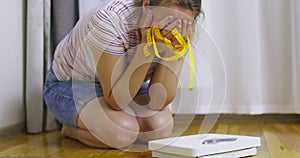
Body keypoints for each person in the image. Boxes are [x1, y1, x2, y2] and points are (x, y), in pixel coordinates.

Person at [44, 0, 203, 149]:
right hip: (68, 84)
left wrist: (174, 52)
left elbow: (158, 102)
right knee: (122, 133)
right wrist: (146, 48)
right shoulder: (109, 20)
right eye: (167, 22)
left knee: (159, 129)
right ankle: (70, 131)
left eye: (181, 25)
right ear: (146, 6)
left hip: (125, 82)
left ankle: (105, 124)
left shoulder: (182, 27)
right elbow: (117, 101)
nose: (172, 31)